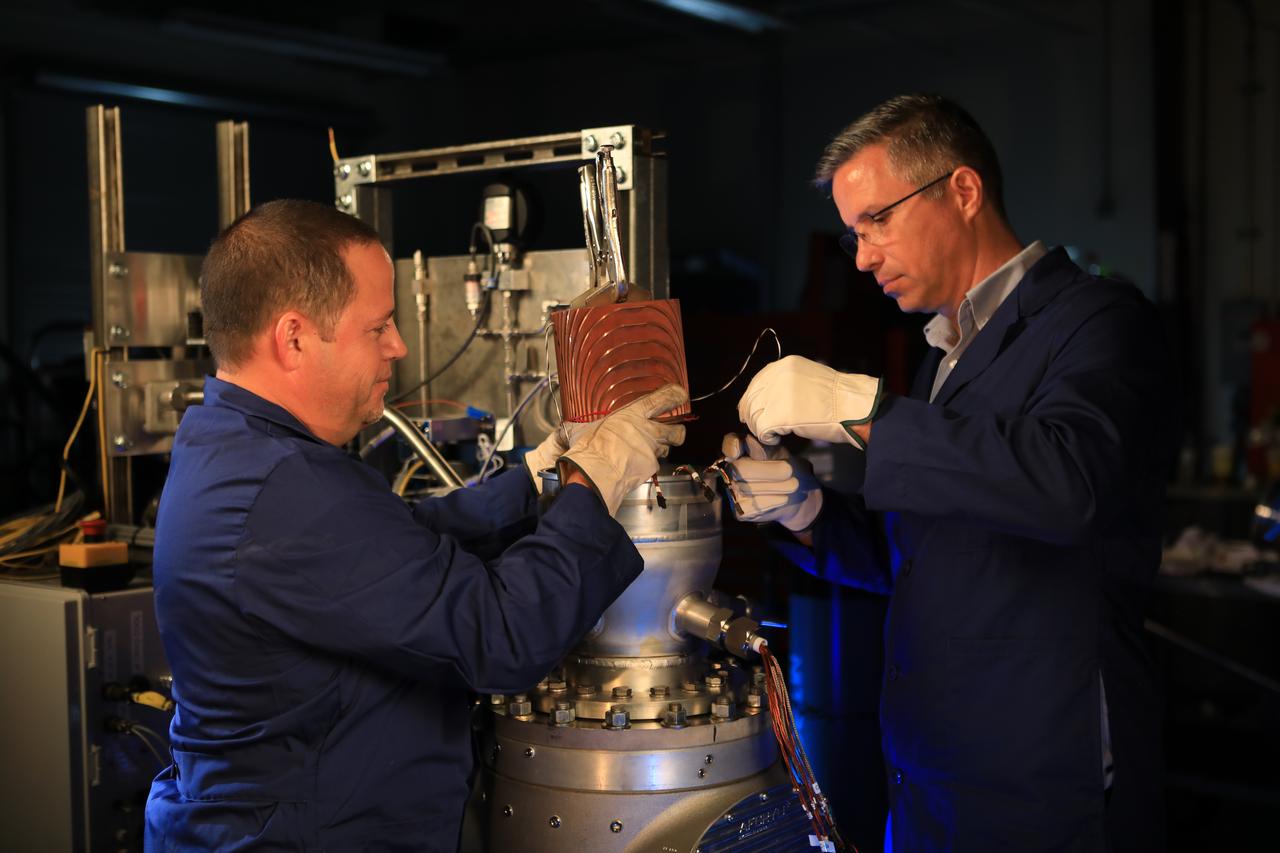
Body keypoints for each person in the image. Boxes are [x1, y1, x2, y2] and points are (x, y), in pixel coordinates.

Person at [144, 199, 686, 851]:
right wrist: (592, 482)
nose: (399, 347)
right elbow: (504, 635)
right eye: (378, 328)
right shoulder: (286, 487)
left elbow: (392, 542)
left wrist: (543, 474)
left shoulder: (234, 446)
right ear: (292, 338)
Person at [724, 94, 1174, 851]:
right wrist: (806, 511)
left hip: (1042, 786)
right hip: (932, 776)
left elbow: (1066, 484)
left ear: (962, 191)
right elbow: (930, 554)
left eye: (878, 220)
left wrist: (859, 407)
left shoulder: (1095, 321)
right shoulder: (945, 355)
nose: (862, 256)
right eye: (852, 234)